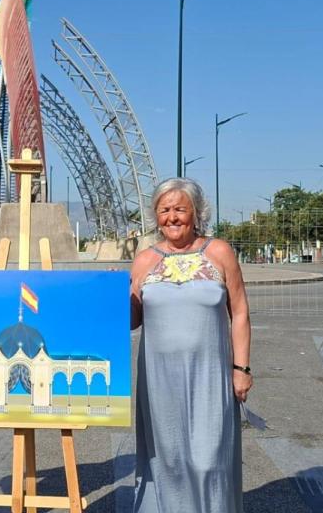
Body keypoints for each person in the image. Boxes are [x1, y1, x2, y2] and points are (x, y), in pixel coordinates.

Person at [130, 177, 252, 513]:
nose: (172, 217)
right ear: (156, 216)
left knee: (209, 460)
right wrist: (113, 295)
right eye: (164, 210)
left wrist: (241, 368)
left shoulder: (219, 252)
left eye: (180, 209)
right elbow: (133, 320)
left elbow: (240, 312)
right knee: (169, 460)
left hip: (210, 376)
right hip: (159, 380)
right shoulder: (144, 260)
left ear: (196, 212)